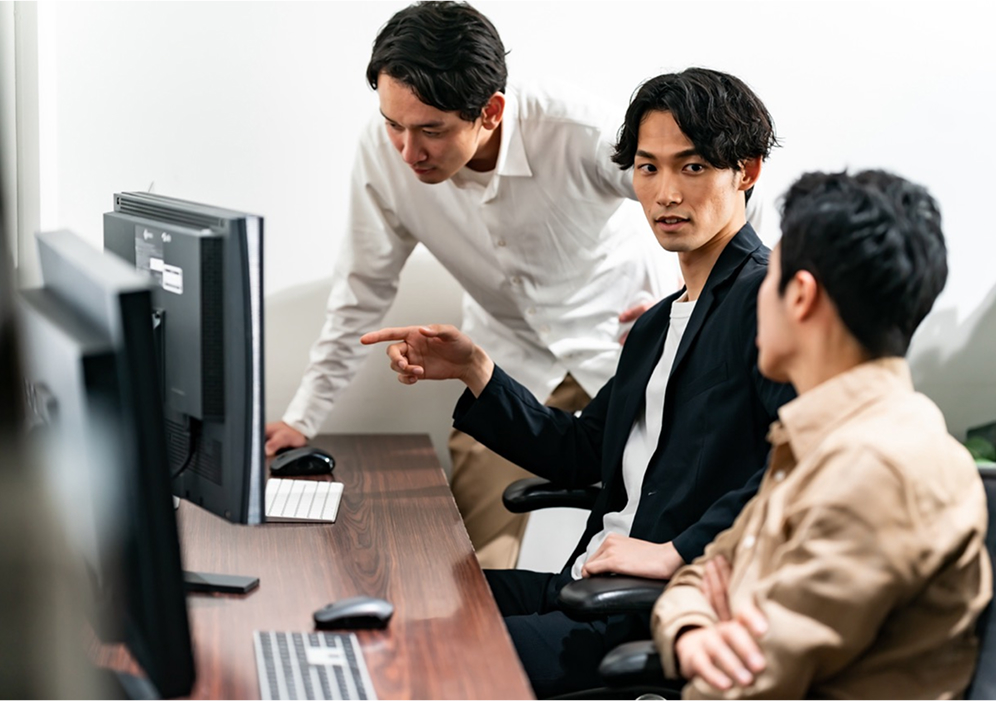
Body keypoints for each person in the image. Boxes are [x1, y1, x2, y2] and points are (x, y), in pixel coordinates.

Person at [361, 67, 795, 697]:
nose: (665, 193)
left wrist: (677, 551)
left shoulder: (768, 302)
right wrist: (476, 369)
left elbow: (801, 463)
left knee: (420, 661)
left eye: (693, 167)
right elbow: (579, 450)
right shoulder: (656, 323)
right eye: (647, 168)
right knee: (394, 603)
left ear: (746, 172)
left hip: (651, 612)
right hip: (583, 586)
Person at [264, 0, 705, 570]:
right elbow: (361, 289)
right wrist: (302, 417)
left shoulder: (580, 132)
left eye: (431, 130)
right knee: (472, 569)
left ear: (491, 111)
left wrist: (689, 306)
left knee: (671, 545)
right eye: (393, 124)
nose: (408, 151)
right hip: (506, 366)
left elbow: (714, 199)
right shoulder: (385, 152)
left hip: (624, 353)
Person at [652, 170, 992, 699]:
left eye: (769, 280)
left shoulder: (879, 468)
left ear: (800, 297)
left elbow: (740, 688)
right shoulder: (818, 441)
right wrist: (695, 629)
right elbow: (699, 576)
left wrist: (724, 610)